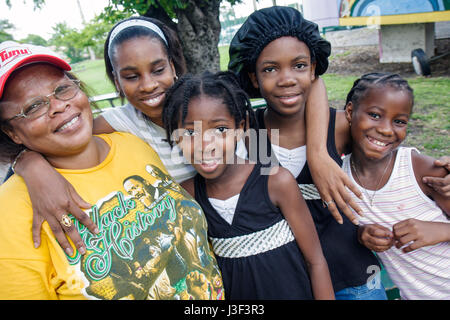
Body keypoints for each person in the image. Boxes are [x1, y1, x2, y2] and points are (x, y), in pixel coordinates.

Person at [0, 41, 224, 299]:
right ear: (11, 132)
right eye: (33, 107)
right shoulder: (11, 212)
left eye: (62, 89)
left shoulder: (131, 142)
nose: (59, 106)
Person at [227, 6, 387, 299]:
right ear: (253, 77)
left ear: (314, 68)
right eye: (270, 69)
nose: (286, 79)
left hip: (355, 280)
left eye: (299, 66)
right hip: (293, 283)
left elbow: (394, 162)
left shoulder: (338, 126)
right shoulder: (252, 134)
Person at [162, 71, 335, 300]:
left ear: (241, 127)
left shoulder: (276, 182)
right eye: (190, 132)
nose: (205, 145)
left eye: (220, 129)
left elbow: (315, 261)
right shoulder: (187, 195)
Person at [340, 73, 450, 300]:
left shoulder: (420, 169)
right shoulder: (339, 177)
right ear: (350, 112)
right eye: (375, 115)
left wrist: (441, 230)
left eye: (399, 121)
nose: (387, 130)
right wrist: (361, 234)